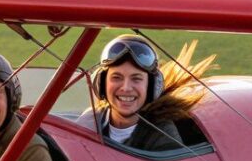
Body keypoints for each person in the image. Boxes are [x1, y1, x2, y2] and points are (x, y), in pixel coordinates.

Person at [79, 34, 210, 153]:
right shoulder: (89, 121)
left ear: (152, 86)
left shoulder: (163, 135)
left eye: (136, 79)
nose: (126, 88)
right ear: (101, 84)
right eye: (116, 78)